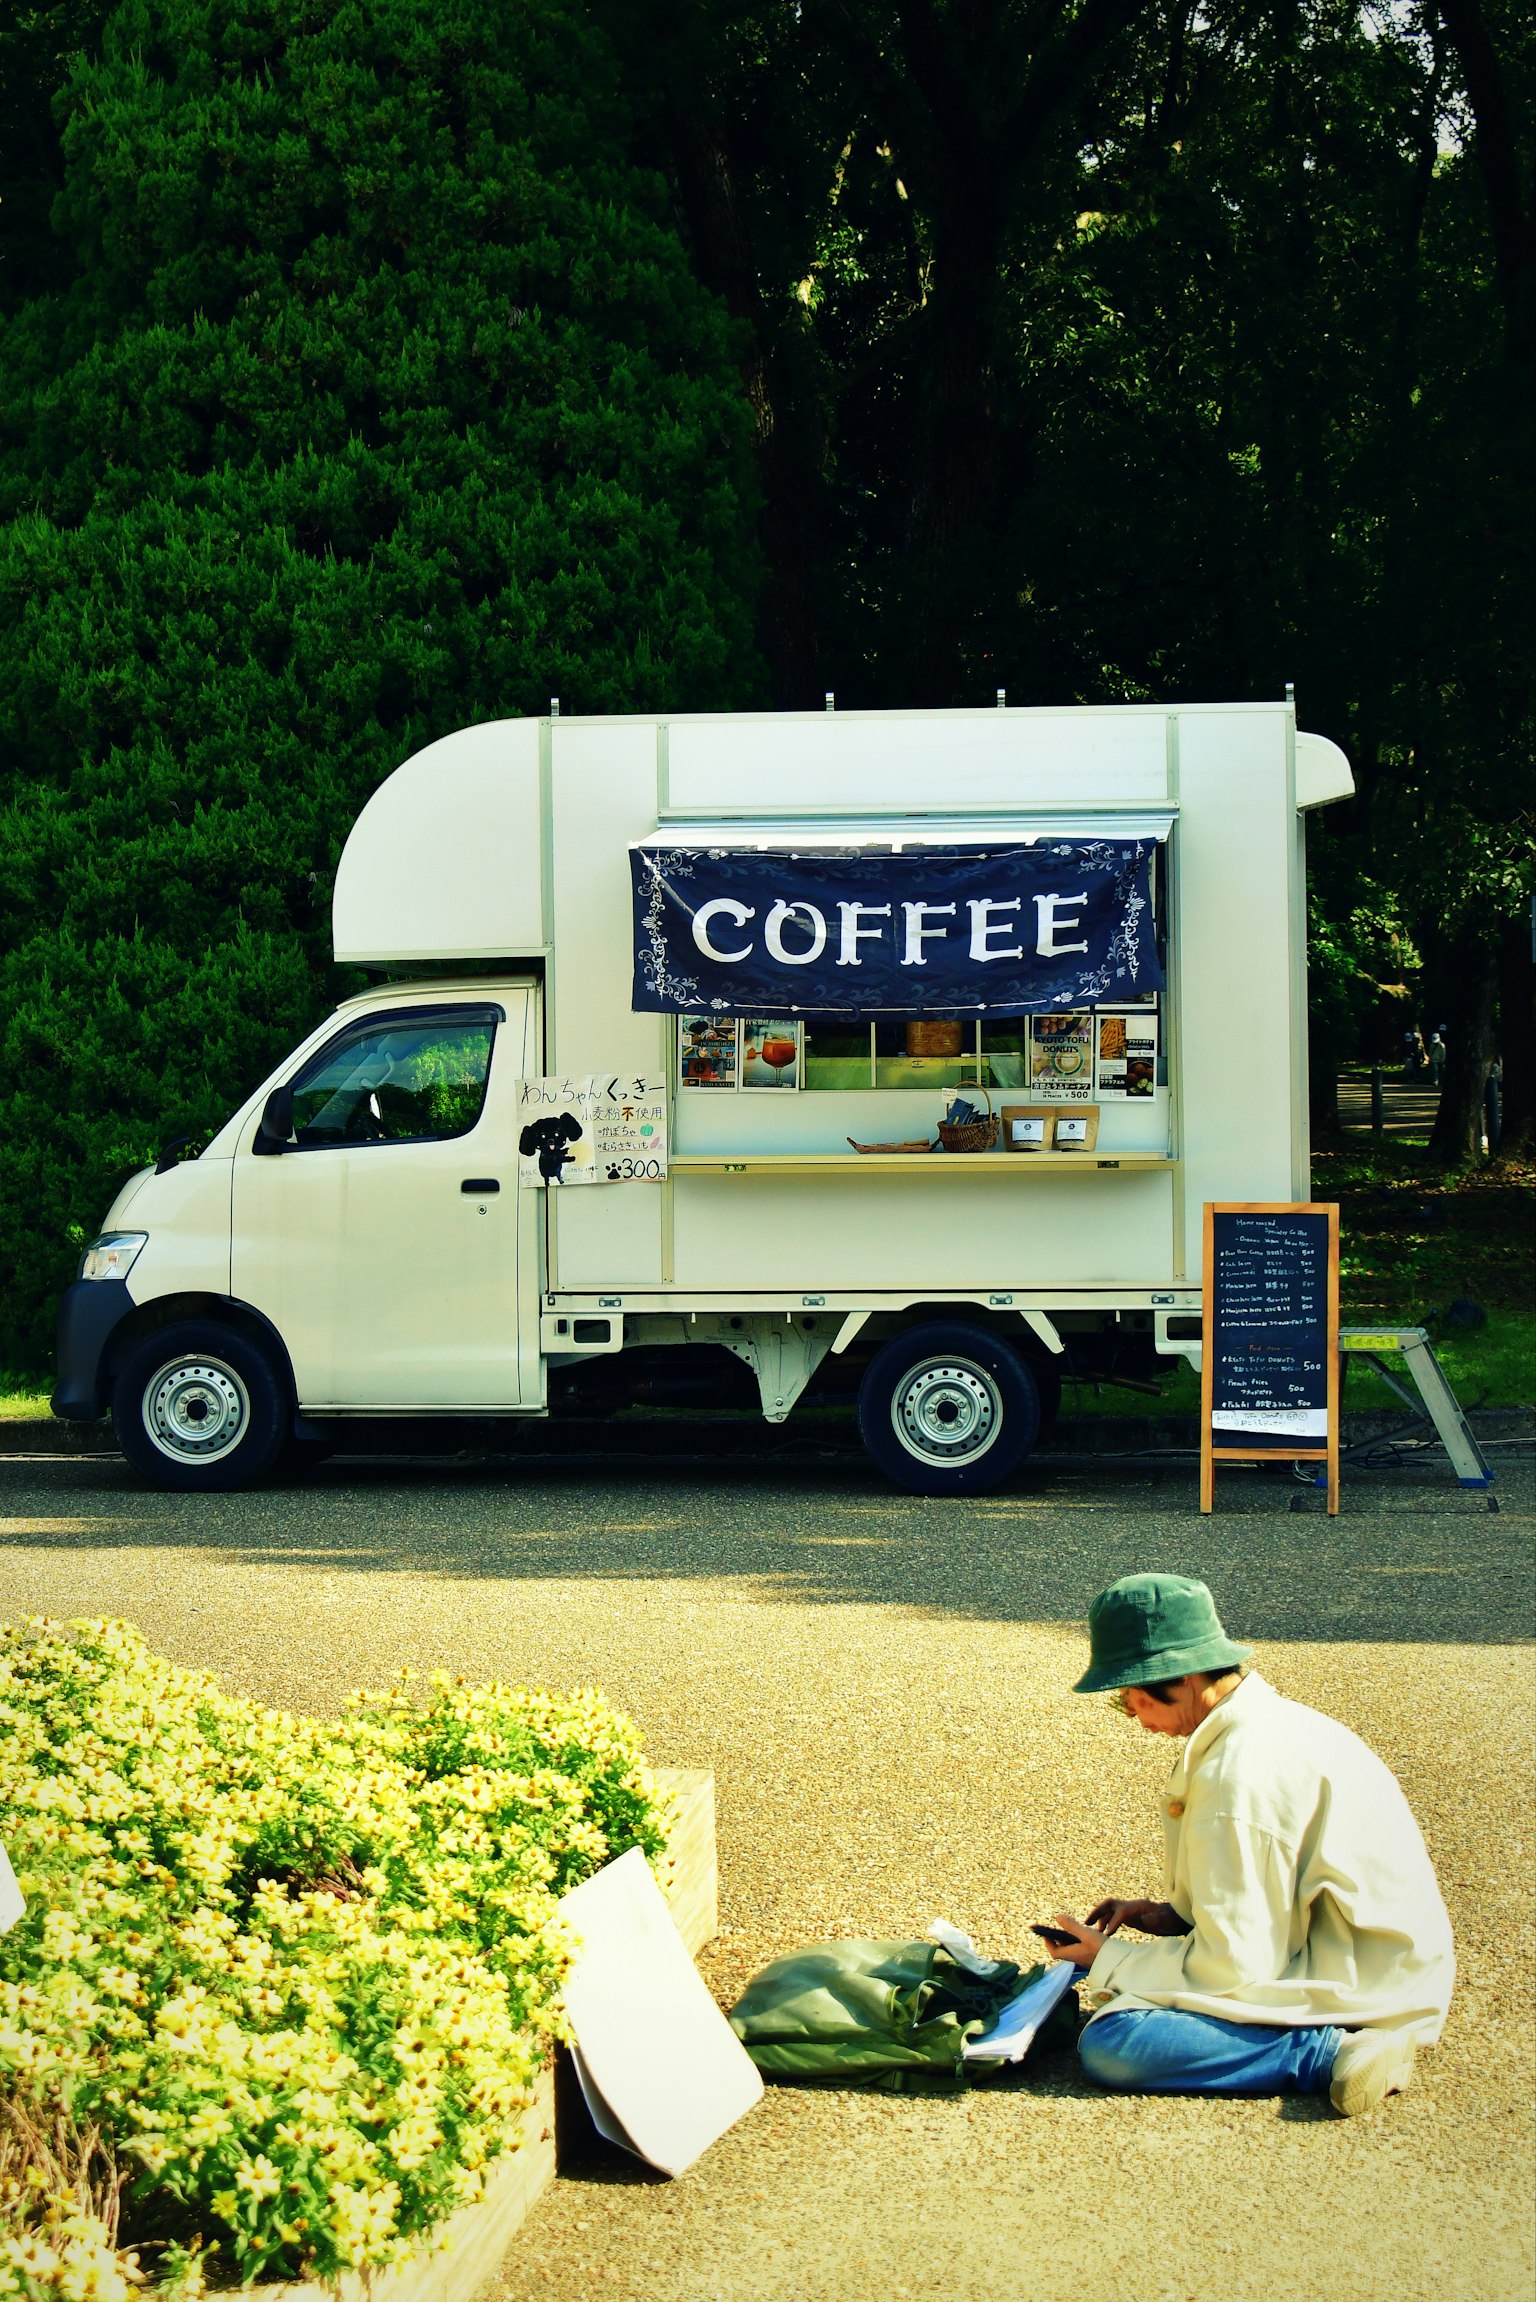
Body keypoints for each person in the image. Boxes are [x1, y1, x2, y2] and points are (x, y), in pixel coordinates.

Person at [1047, 1574, 1454, 2116]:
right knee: (1106, 1983)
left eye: (1133, 1698)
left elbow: (1237, 1964)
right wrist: (1174, 1916)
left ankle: (1333, 2050)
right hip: (1371, 1958)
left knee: (1116, 2041)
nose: (1137, 1718)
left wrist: (1113, 1958)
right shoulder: (1273, 1725)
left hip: (1361, 1989)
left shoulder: (1236, 1775)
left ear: (1186, 1677)